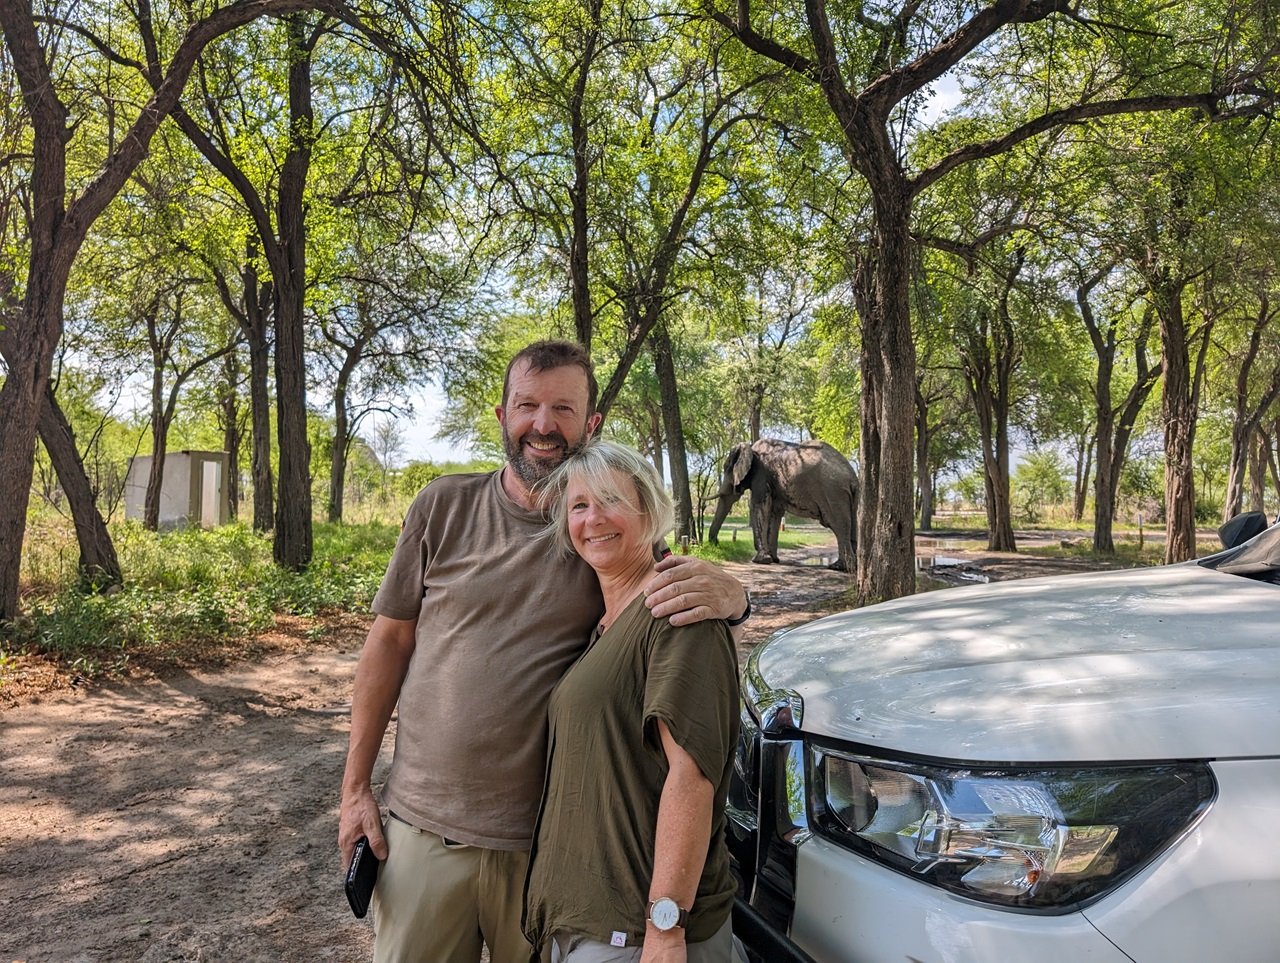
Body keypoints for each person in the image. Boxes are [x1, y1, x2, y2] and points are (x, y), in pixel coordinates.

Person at [338, 340, 750, 963]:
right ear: (502, 415)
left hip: (546, 849)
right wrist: (353, 789)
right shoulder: (443, 506)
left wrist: (739, 595)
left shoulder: (601, 536)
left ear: (591, 424)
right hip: (422, 828)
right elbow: (390, 642)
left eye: (563, 408)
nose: (542, 424)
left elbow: (677, 603)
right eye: (527, 405)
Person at [523, 440, 739, 963]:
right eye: (579, 506)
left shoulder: (677, 610)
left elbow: (691, 776)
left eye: (610, 500)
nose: (593, 518)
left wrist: (666, 927)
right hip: (588, 921)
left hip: (638, 935)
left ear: (649, 510)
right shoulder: (604, 621)